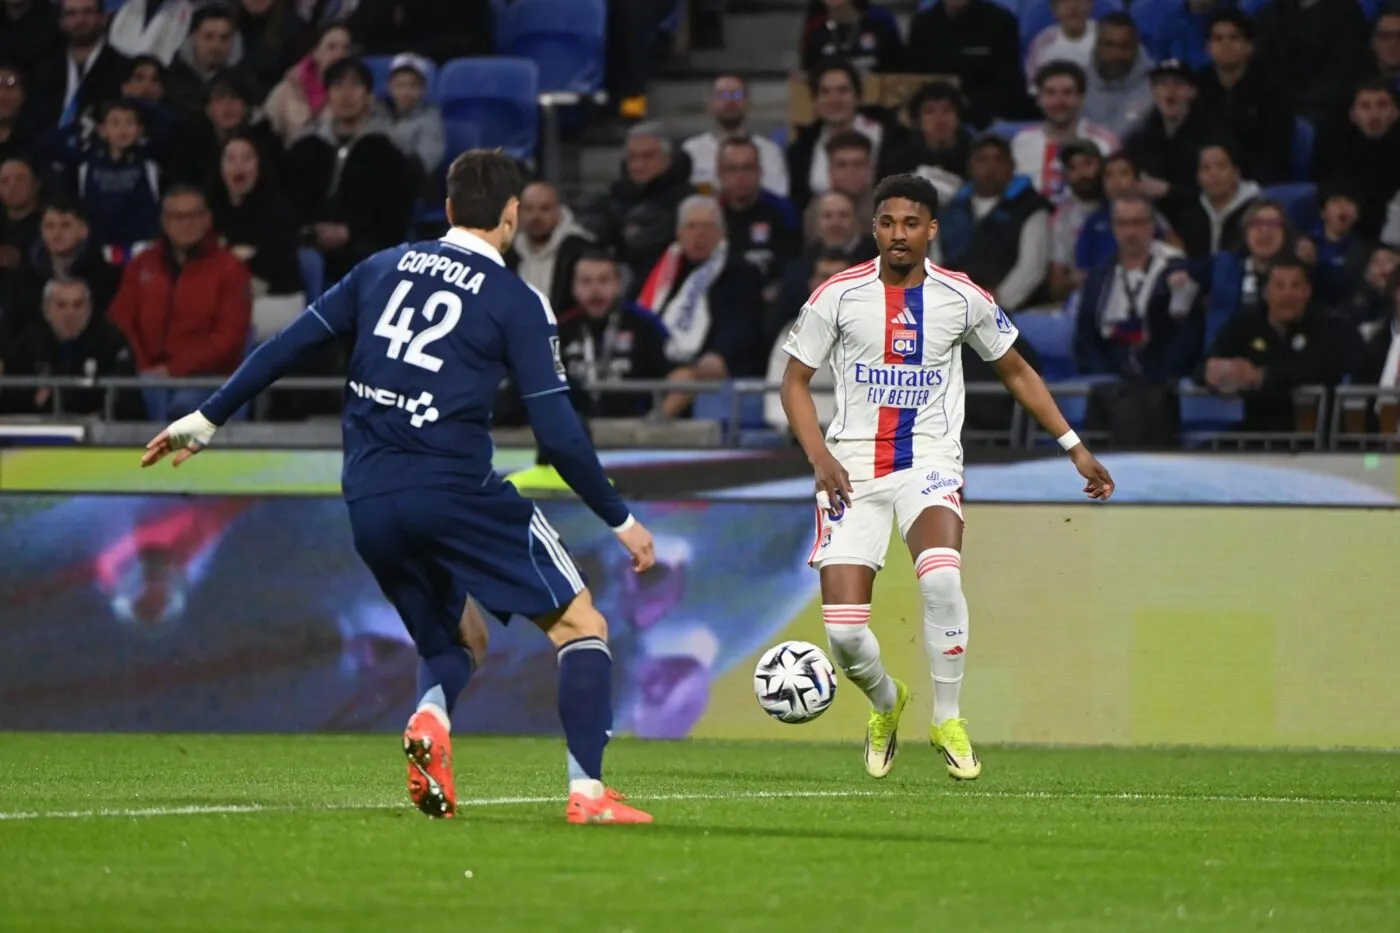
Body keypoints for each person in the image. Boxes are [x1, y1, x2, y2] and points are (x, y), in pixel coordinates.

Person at [139, 150, 659, 826]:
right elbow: (557, 435)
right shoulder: (517, 299)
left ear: (446, 211)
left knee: (457, 639)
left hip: (369, 495)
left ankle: (429, 716)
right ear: (510, 217)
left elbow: (287, 344)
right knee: (580, 624)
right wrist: (620, 518)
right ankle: (589, 793)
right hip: (455, 487)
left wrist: (209, 416)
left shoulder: (380, 267)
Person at [778, 173, 1114, 781]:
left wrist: (1074, 446)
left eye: (911, 223)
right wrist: (819, 458)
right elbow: (794, 381)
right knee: (846, 637)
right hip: (850, 471)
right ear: (873, 227)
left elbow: (1015, 370)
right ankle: (887, 702)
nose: (898, 234)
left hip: (929, 462)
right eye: (887, 223)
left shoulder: (962, 297)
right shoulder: (839, 294)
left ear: (931, 229)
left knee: (940, 577)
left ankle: (948, 718)